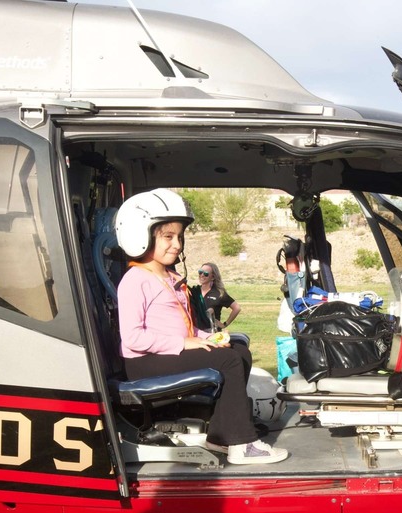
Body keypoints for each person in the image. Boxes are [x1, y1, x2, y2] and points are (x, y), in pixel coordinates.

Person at [114, 189, 288, 466]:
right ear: (140, 236)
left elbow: (181, 327)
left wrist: (209, 337)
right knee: (230, 360)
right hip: (143, 362)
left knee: (238, 350)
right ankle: (242, 443)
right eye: (168, 237)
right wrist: (185, 343)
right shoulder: (136, 280)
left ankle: (220, 435)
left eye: (179, 237)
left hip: (165, 353)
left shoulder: (170, 277)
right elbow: (133, 338)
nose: (177, 245)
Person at [192, 262, 241, 332]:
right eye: (200, 272)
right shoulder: (194, 291)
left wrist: (224, 324)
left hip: (212, 332)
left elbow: (237, 308)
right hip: (196, 331)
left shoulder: (219, 294)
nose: (202, 275)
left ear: (213, 277)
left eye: (205, 274)